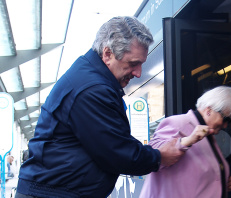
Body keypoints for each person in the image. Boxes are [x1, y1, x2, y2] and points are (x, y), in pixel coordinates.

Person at [15, 16, 184, 198]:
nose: (138, 73)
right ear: (107, 54)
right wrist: (159, 157)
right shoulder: (92, 89)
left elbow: (113, 142)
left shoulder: (89, 78)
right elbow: (118, 152)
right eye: (133, 64)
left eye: (141, 64)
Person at [140, 86, 231, 198]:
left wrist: (221, 182)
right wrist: (186, 142)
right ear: (209, 111)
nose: (226, 125)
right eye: (225, 119)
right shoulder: (178, 123)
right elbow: (151, 157)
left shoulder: (208, 136)